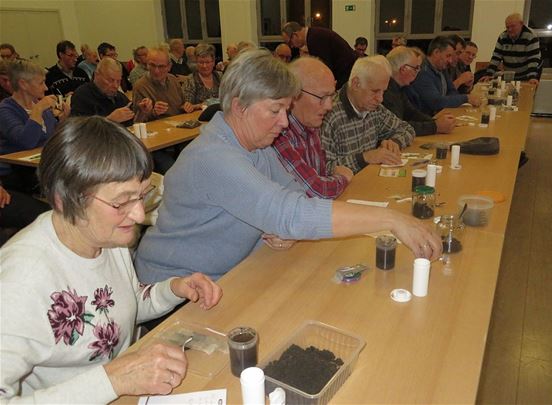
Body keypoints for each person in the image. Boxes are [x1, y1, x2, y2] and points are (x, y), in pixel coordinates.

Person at [134, 49, 440, 283]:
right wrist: (389, 219)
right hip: (178, 289)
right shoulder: (213, 157)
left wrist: (277, 229)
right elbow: (288, 212)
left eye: (286, 110)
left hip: (234, 274)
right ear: (239, 106)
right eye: (275, 110)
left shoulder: (256, 145)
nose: (284, 122)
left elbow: (301, 198)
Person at [0, 116, 222, 403]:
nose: (139, 214)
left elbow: (121, 306)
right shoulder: (20, 282)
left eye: (142, 196)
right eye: (121, 202)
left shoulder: (107, 236)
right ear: (64, 200)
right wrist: (114, 379)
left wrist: (174, 289)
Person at [272, 57, 353, 199]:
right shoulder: (279, 134)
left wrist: (331, 173)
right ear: (294, 95)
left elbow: (319, 176)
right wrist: (343, 177)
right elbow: (317, 191)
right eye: (321, 97)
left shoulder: (311, 126)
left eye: (331, 96)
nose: (329, 106)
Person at [320, 55, 415, 174]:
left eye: (383, 92)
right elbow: (323, 169)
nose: (380, 99)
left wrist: (395, 142)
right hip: (345, 189)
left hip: (368, 181)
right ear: (356, 84)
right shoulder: (328, 115)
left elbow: (407, 129)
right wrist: (365, 158)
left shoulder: (375, 109)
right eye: (375, 91)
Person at [0, 60, 70, 193]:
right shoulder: (5, 110)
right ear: (23, 84)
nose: (45, 87)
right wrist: (38, 110)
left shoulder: (40, 106)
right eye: (41, 83)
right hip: (19, 175)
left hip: (43, 168)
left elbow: (54, 138)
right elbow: (27, 142)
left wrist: (63, 120)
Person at [384, 46, 455, 136]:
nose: (418, 72)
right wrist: (435, 126)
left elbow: (411, 113)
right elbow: (398, 127)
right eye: (416, 68)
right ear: (403, 69)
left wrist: (435, 122)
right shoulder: (386, 91)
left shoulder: (399, 88)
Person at [406, 36, 481, 116]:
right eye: (448, 56)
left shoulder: (442, 69)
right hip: (427, 119)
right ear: (436, 52)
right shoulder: (423, 71)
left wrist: (446, 101)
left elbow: (452, 91)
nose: (450, 60)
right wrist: (466, 98)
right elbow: (435, 102)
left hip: (441, 114)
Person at [71, 58, 153, 126]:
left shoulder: (119, 97)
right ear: (96, 75)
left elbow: (133, 125)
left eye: (118, 81)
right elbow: (80, 132)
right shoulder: (82, 95)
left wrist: (142, 112)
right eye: (110, 80)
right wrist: (109, 120)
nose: (115, 85)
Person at [282, 21, 357, 89]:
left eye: (290, 42)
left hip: (346, 74)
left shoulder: (314, 39)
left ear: (295, 35)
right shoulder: (314, 34)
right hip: (346, 71)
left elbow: (324, 68)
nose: (291, 46)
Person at [132, 47, 193, 120]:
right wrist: (154, 112)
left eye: (161, 66)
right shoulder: (140, 86)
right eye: (152, 65)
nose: (156, 71)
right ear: (147, 65)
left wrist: (186, 107)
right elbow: (137, 120)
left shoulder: (173, 79)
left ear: (169, 67)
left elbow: (182, 104)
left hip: (178, 124)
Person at [482, 13, 541, 85]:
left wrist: (532, 77)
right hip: (509, 78)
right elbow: (496, 57)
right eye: (507, 27)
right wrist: (489, 74)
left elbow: (533, 59)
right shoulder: (503, 37)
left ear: (521, 24)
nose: (509, 30)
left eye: (513, 26)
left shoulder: (531, 36)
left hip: (526, 78)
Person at [181, 43, 222, 112]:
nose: (204, 66)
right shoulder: (190, 80)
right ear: (196, 62)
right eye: (201, 62)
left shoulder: (220, 76)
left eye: (207, 62)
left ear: (213, 62)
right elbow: (186, 105)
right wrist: (199, 106)